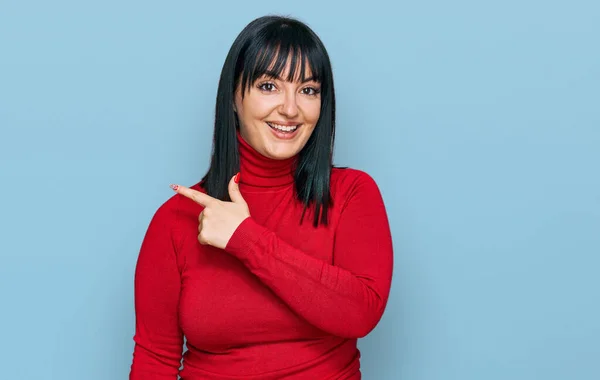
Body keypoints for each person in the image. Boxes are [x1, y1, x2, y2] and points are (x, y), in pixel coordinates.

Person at [129, 15, 394, 380]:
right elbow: (154, 361)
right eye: (269, 86)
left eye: (308, 90)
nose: (290, 108)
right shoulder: (176, 220)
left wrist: (246, 238)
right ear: (234, 98)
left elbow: (361, 312)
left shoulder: (352, 194)